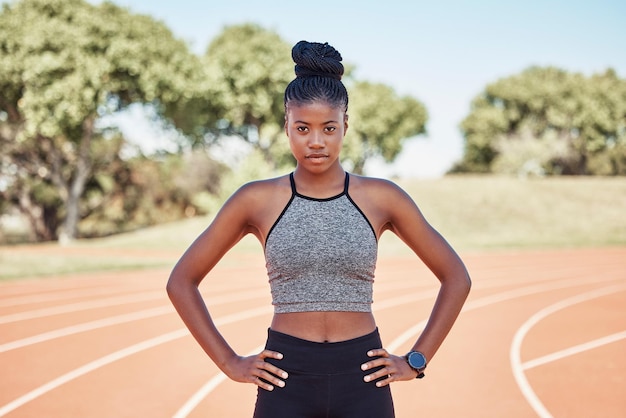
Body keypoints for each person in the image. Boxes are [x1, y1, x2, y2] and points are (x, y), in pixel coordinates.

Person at [167, 40, 471, 418]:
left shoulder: (382, 198)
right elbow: (181, 281)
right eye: (302, 128)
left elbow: (456, 277)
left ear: (345, 124)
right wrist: (229, 362)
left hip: (363, 376)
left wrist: (416, 359)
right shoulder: (256, 200)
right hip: (285, 377)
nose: (316, 141)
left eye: (329, 128)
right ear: (287, 127)